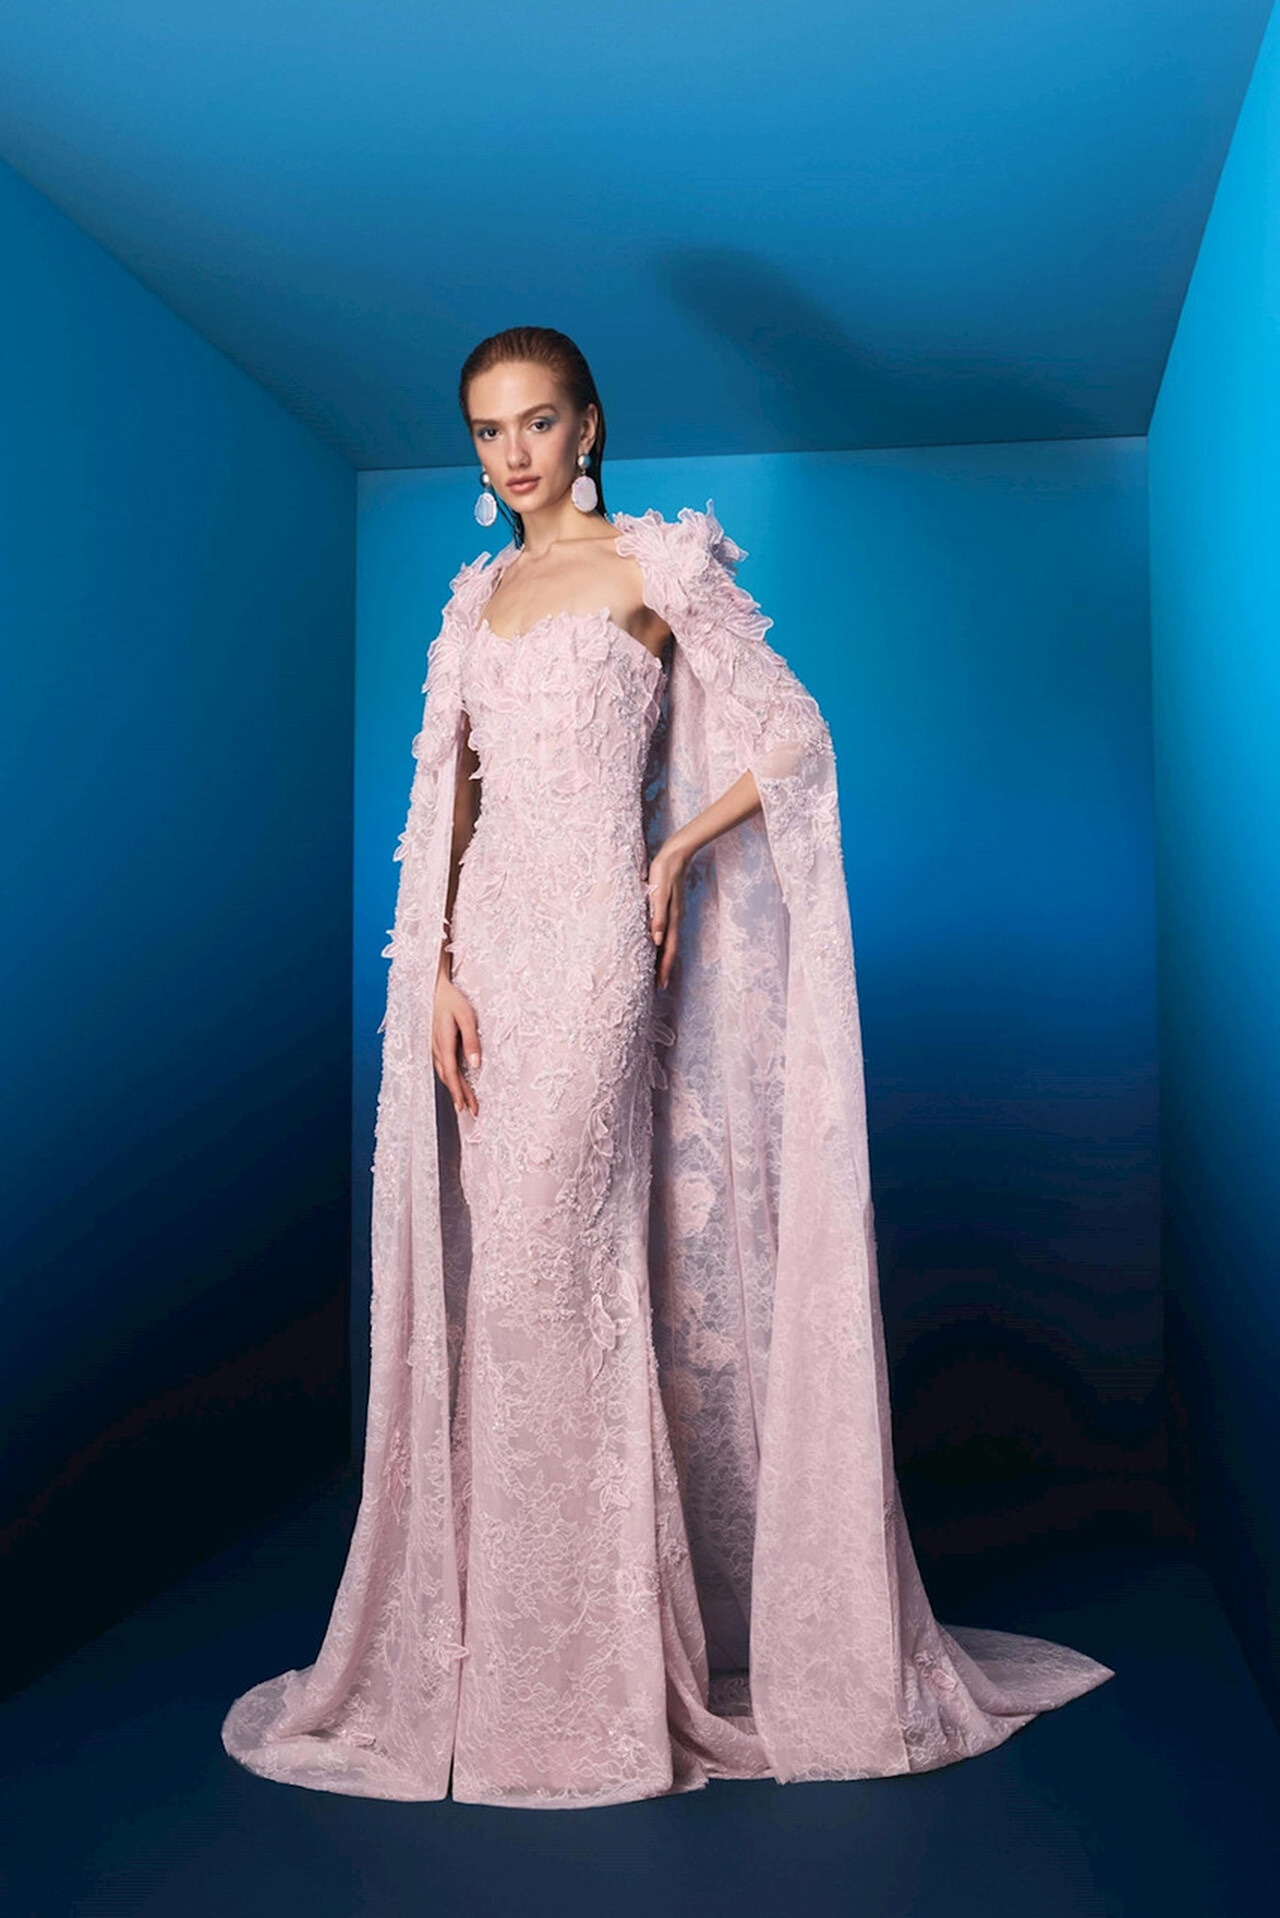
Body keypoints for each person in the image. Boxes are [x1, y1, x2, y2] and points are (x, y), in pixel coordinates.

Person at [222, 326, 1112, 1810]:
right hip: (485, 959)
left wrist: (676, 854)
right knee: (501, 1283)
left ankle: (597, 1675)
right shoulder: (474, 598)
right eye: (487, 430)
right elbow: (451, 803)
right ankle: (510, 1655)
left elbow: (795, 741)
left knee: (557, 1271)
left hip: (592, 949)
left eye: (537, 422)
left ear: (589, 425)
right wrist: (431, 965)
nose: (512, 453)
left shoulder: (656, 565)